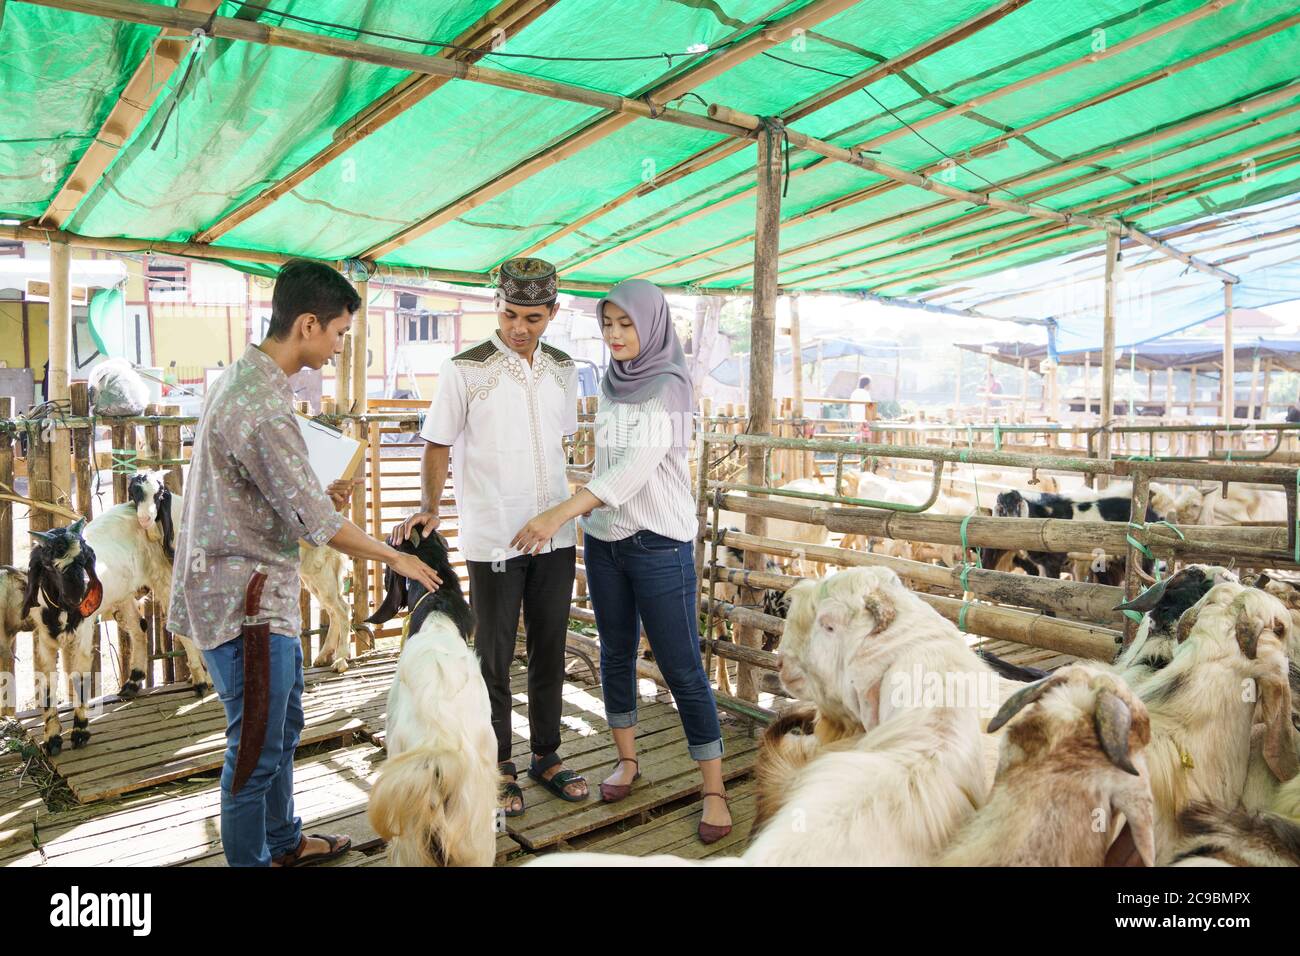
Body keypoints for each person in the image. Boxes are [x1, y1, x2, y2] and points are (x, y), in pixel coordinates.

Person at [168, 260, 441, 868]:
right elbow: (319, 526)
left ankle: (285, 841)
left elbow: (273, 491)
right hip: (248, 603)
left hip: (253, 590)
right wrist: (396, 555)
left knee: (280, 727)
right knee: (254, 750)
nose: (341, 347)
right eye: (340, 333)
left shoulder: (249, 381)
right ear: (309, 324)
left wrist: (317, 495)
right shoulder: (264, 407)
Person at [513, 278, 732, 844]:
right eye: (607, 324)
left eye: (625, 324)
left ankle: (714, 788)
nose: (614, 334)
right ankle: (629, 761)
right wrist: (576, 499)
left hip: (659, 542)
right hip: (606, 540)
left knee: (682, 666)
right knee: (615, 654)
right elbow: (607, 459)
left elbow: (633, 471)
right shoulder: (613, 382)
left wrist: (560, 512)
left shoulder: (668, 385)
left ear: (652, 324)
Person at [391, 257, 587, 815]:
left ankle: (546, 755)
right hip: (494, 538)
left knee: (550, 649)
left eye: (532, 317)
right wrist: (430, 506)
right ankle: (498, 762)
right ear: (494, 306)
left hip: (555, 535)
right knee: (494, 657)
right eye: (508, 314)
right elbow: (437, 443)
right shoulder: (464, 368)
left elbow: (560, 445)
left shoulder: (565, 368)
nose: (518, 328)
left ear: (552, 312)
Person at [850, 374, 873, 440]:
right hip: (863, 420)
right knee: (866, 436)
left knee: (857, 435)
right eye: (870, 384)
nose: (871, 386)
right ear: (867, 384)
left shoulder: (854, 392)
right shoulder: (866, 393)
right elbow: (870, 407)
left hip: (854, 419)